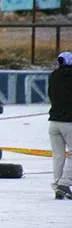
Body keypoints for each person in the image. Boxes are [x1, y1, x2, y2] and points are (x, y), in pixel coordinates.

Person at [48, 52, 72, 200]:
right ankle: (64, 183)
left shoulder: (53, 76)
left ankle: (57, 185)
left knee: (58, 156)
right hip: (69, 122)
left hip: (54, 121)